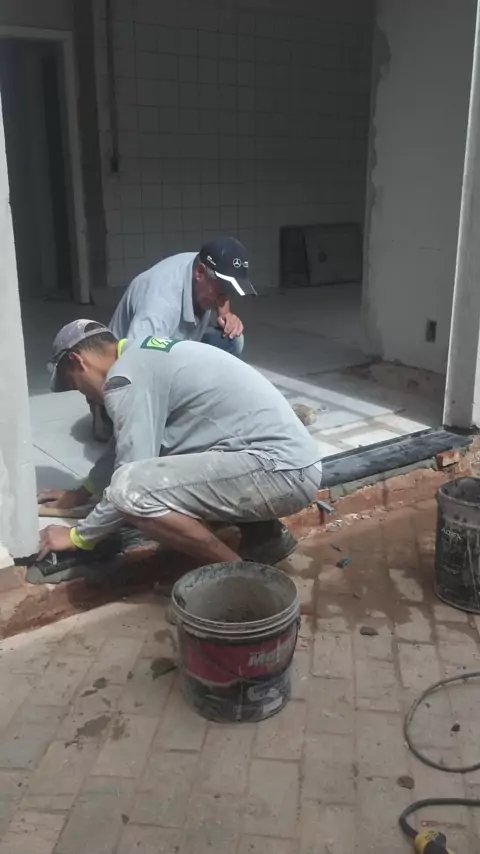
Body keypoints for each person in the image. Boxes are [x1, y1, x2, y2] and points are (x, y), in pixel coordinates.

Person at [38, 320, 322, 567]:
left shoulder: (123, 379)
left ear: (78, 361)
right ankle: (265, 538)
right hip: (290, 465)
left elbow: (128, 475)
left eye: (75, 384)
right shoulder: (142, 357)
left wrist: (79, 537)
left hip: (279, 472)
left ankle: (240, 577)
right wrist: (83, 492)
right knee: (173, 466)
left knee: (131, 494)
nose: (84, 395)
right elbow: (123, 444)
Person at [88, 235, 255, 442]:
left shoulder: (204, 265)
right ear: (199, 273)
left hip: (173, 346)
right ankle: (104, 408)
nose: (224, 298)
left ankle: (194, 408)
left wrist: (225, 313)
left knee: (231, 340)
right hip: (130, 363)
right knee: (166, 434)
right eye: (222, 291)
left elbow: (220, 290)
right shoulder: (160, 306)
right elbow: (138, 362)